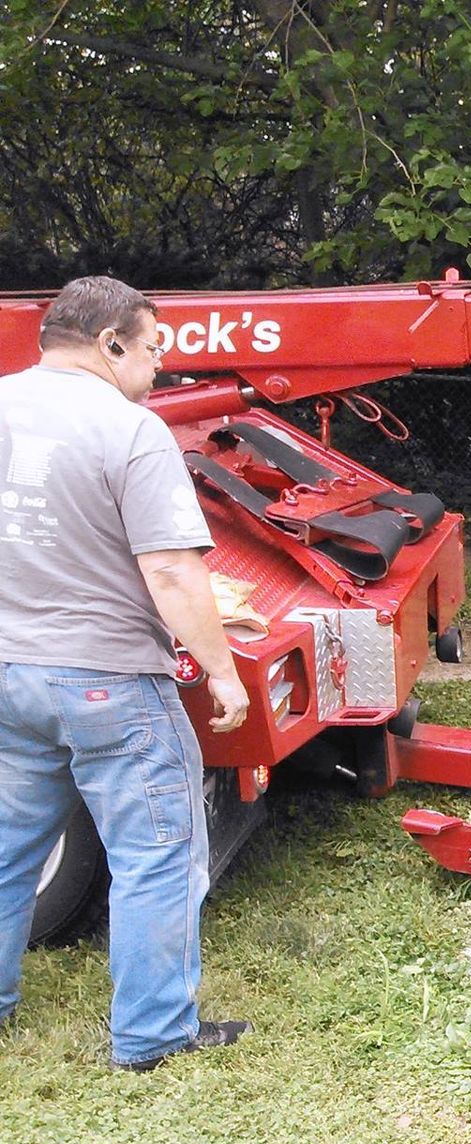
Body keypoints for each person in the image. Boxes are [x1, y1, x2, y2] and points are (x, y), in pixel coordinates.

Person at [0, 276, 253, 1072]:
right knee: (159, 851)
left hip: (11, 672)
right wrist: (223, 671)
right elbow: (175, 573)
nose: (157, 371)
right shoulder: (130, 430)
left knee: (8, 848)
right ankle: (152, 1034)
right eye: (151, 351)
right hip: (107, 680)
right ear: (109, 342)